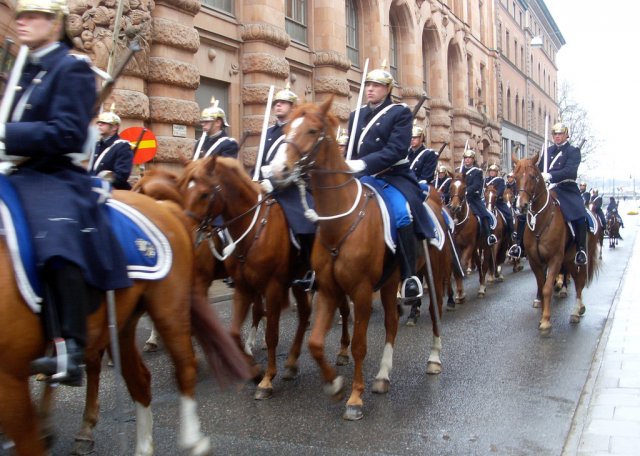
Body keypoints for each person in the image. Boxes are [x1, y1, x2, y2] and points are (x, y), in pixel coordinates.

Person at [0, 0, 131, 385]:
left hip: (53, 174)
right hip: (17, 170)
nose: (22, 23)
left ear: (55, 24)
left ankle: (70, 347)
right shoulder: (26, 70)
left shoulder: (71, 67)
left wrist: (8, 134)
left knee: (55, 238)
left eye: (33, 16)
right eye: (20, 16)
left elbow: (68, 132)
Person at [343, 63, 437, 300]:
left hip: (391, 176)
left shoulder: (400, 113)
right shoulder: (356, 115)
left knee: (402, 213)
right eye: (368, 85)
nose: (370, 89)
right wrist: (346, 164)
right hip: (361, 176)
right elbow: (351, 149)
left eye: (376, 85)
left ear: (387, 89)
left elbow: (395, 150)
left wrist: (364, 163)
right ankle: (319, 269)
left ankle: (408, 277)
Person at [257, 84, 316, 290]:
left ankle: (311, 268)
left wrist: (272, 183)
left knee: (306, 223)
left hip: (293, 187)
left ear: (293, 107)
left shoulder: (297, 130)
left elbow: (298, 165)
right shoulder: (269, 131)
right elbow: (260, 161)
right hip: (266, 185)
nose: (278, 105)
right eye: (276, 103)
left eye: (283, 103)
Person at [520, 122, 588, 265]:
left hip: (566, 189)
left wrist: (550, 175)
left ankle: (580, 250)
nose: (557, 137)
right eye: (555, 134)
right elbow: (537, 169)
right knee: (524, 211)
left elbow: (570, 171)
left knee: (580, 213)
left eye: (560, 134)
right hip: (547, 189)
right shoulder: (547, 151)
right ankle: (519, 245)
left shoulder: (573, 151)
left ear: (566, 135)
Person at [91, 104, 133, 189]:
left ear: (114, 127)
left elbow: (121, 176)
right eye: (99, 123)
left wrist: (104, 177)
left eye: (104, 123)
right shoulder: (96, 145)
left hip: (112, 190)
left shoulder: (122, 146)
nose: (99, 125)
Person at [460, 150, 497, 246]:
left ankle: (489, 236)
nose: (467, 160)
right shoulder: (459, 170)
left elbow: (477, 184)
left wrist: (467, 190)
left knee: (483, 213)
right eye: (465, 158)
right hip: (460, 198)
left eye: (469, 158)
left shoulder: (477, 171)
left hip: (473, 198)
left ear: (473, 160)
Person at [484, 163, 513, 239]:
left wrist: (495, 196)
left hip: (498, 202)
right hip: (486, 201)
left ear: (496, 172)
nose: (492, 172)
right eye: (490, 171)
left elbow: (500, 190)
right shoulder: (485, 180)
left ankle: (511, 234)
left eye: (494, 171)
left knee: (509, 215)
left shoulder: (500, 180)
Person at [407, 121, 437, 186]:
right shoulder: (406, 153)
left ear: (421, 138)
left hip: (419, 185)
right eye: (410, 137)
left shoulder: (429, 154)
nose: (412, 139)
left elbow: (426, 177)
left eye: (415, 137)